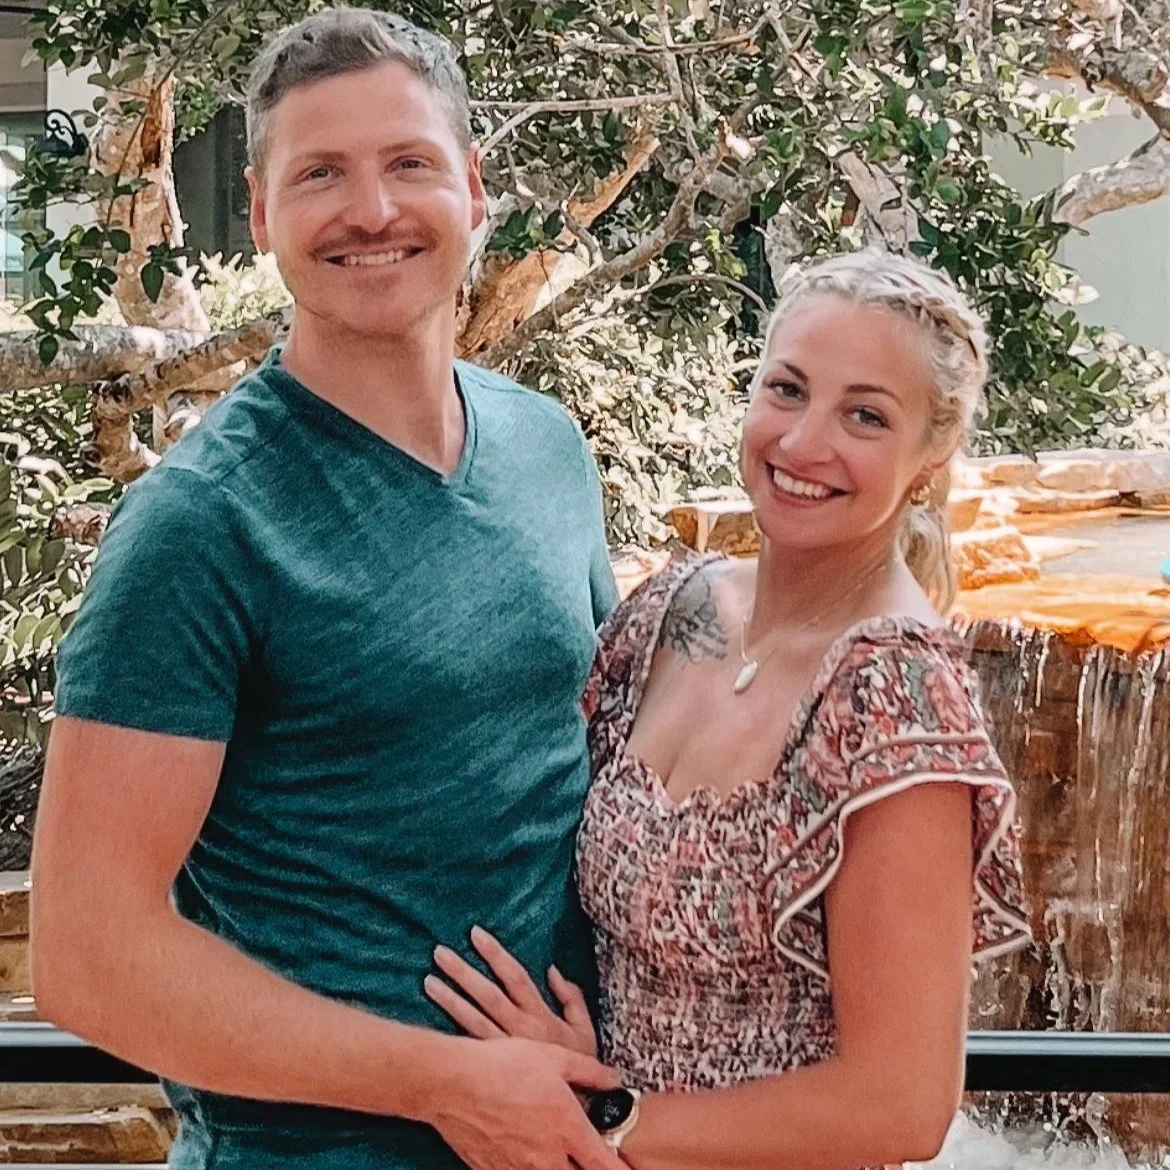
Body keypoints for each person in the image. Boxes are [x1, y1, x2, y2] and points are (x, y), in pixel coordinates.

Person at [30, 9, 626, 1170]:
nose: (372, 210)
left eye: (409, 163)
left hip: (564, 1133)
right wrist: (453, 1084)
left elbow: (601, 778)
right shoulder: (198, 526)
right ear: (259, 213)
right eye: (320, 175)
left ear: (474, 187)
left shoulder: (546, 447)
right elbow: (87, 955)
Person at [425, 249, 1033, 1170]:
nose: (802, 442)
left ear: (929, 458)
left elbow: (900, 1105)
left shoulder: (892, 698)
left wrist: (604, 1118)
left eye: (865, 415)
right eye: (787, 390)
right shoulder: (676, 613)